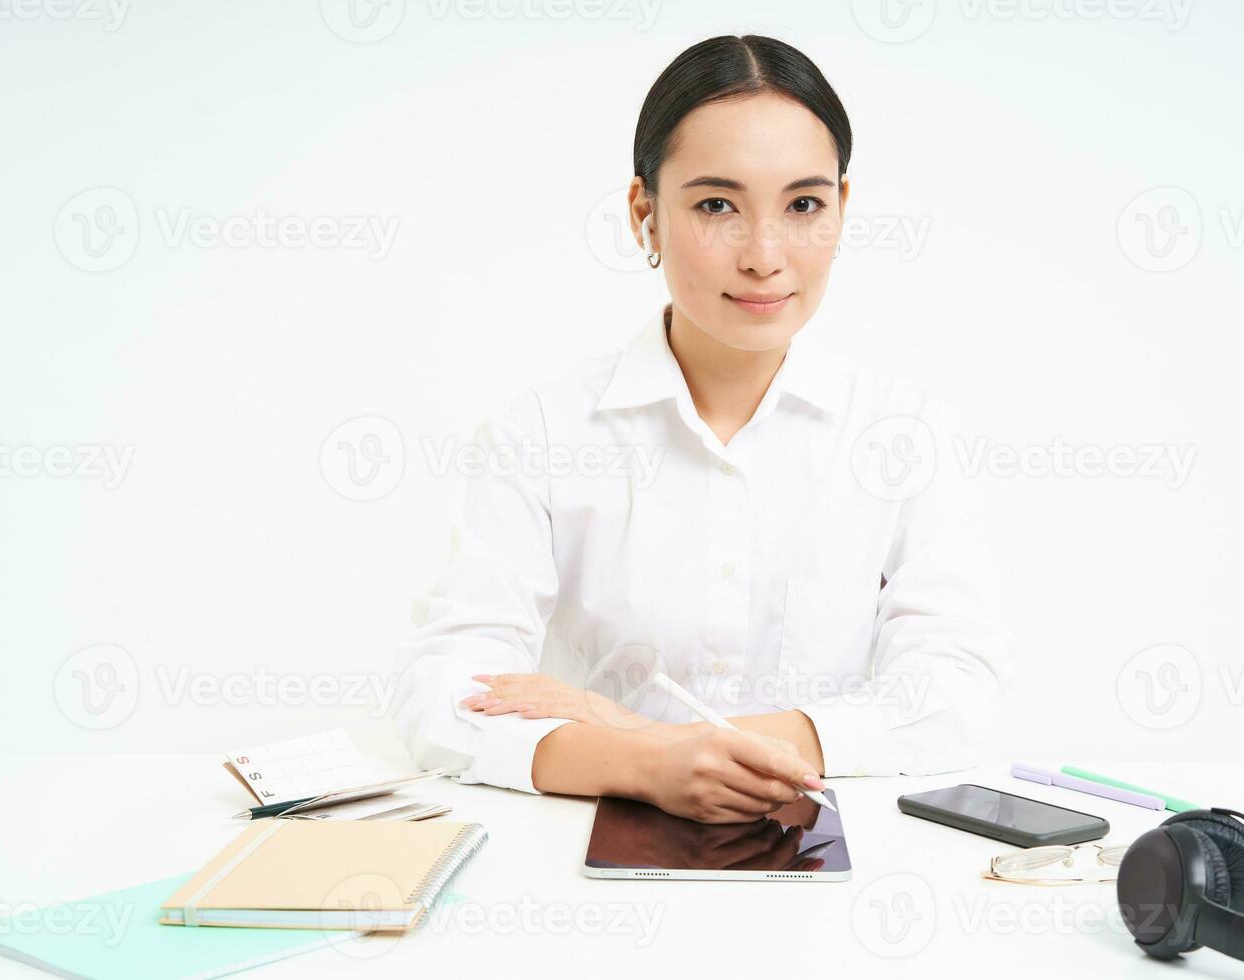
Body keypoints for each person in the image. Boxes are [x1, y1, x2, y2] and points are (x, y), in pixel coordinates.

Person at [391, 34, 1012, 824]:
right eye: (717, 205)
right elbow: (441, 695)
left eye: (803, 205)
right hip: (585, 861)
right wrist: (650, 767)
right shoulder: (541, 432)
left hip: (833, 861)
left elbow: (958, 697)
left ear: (842, 212)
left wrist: (631, 733)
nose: (764, 255)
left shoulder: (902, 434)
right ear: (644, 215)